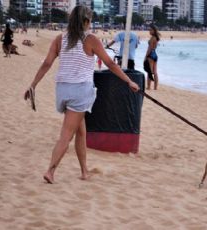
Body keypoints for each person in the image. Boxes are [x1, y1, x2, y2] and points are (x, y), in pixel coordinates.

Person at [23, 5, 140, 184]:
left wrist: (33, 85)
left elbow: (47, 63)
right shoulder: (90, 39)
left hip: (63, 90)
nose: (91, 23)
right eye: (90, 20)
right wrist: (128, 81)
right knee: (66, 134)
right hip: (80, 91)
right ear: (85, 21)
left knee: (81, 131)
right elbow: (110, 63)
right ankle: (51, 170)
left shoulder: (60, 39)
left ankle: (84, 171)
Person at [145, 24, 160, 90]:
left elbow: (150, 48)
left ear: (154, 30)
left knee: (149, 71)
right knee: (155, 72)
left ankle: (148, 86)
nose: (149, 31)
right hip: (155, 54)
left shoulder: (152, 38)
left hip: (151, 55)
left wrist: (146, 56)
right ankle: (155, 87)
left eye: (150, 30)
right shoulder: (156, 38)